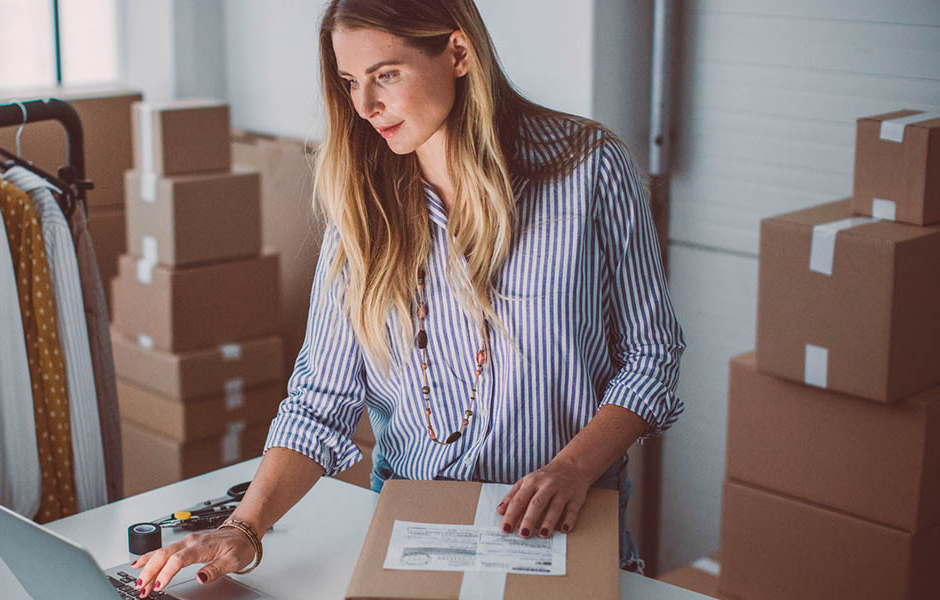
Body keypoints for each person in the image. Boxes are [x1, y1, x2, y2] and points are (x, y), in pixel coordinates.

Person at [129, 0, 685, 595]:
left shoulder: (588, 169)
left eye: (386, 74)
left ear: (459, 52)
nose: (365, 107)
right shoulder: (362, 207)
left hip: (562, 530)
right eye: (350, 83)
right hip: (415, 534)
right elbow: (321, 400)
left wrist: (572, 468)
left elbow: (652, 357)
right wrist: (243, 529)